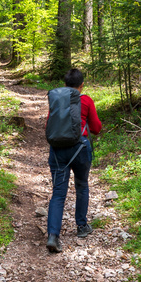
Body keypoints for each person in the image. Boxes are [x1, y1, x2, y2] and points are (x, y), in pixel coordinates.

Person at [46, 68, 102, 253]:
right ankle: (82, 227)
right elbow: (96, 128)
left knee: (58, 193)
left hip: (58, 152)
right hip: (80, 149)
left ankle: (53, 236)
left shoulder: (56, 100)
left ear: (64, 85)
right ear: (82, 85)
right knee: (82, 186)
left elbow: (49, 126)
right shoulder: (85, 100)